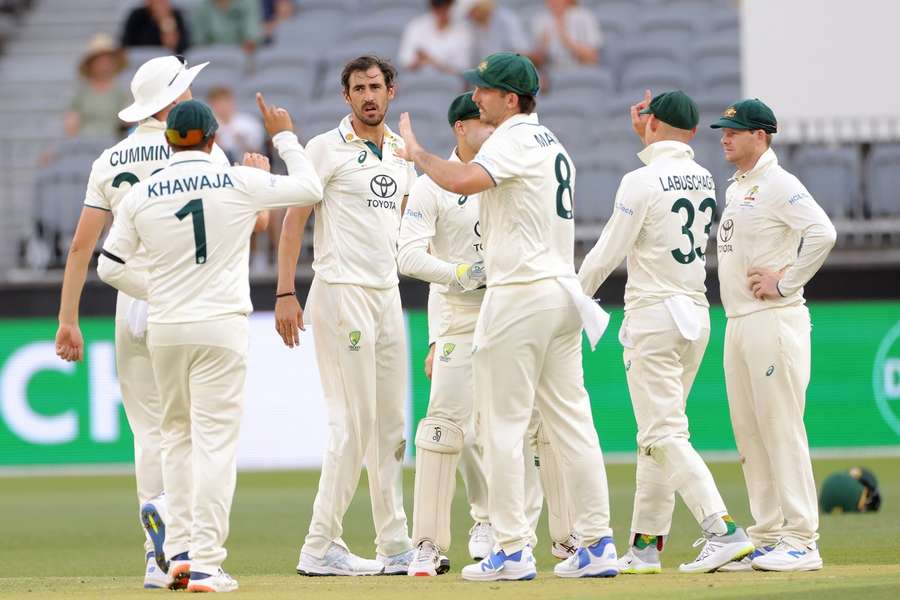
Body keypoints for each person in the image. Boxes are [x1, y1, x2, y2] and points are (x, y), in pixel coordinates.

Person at [397, 51, 617, 581]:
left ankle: (512, 550)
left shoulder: (513, 139)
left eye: (486, 90)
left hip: (520, 296)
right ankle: (597, 542)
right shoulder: (551, 140)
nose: (476, 96)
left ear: (511, 99)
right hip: (563, 294)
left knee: (500, 427)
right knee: (573, 425)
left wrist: (417, 155)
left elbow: (463, 181)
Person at [96, 95, 323, 592]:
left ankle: (177, 553)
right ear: (213, 138)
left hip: (168, 327)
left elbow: (109, 266)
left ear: (171, 141)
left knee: (174, 438)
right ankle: (205, 562)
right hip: (220, 324)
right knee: (215, 445)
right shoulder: (235, 178)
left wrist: (158, 289)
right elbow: (310, 185)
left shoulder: (142, 193)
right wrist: (284, 135)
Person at [54, 55, 237, 590]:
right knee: (199, 434)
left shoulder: (110, 158)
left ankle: (156, 560)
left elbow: (82, 246)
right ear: (177, 99)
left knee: (150, 433)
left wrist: (68, 320)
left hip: (130, 300)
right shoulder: (204, 147)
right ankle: (194, 550)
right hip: (190, 300)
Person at [578, 90, 754, 575]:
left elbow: (609, 250)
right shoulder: (703, 177)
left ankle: (722, 529)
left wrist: (574, 297)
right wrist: (651, 135)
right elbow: (667, 169)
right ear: (695, 133)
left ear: (651, 124)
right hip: (694, 316)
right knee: (655, 436)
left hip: (654, 318)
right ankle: (645, 546)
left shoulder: (639, 180)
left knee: (661, 432)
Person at [274, 55, 417, 577]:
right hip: (339, 292)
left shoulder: (403, 152)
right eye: (358, 89)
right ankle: (320, 545)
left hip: (386, 294)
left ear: (391, 91)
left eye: (375, 86)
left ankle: (395, 543)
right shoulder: (325, 147)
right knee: (353, 424)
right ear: (346, 97)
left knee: (391, 424)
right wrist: (286, 292)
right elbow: (294, 222)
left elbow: (400, 224)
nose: (368, 96)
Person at [710, 99, 836, 572]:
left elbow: (822, 233)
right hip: (740, 322)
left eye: (734, 130)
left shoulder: (779, 184)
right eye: (723, 130)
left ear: (760, 136)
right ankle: (766, 536)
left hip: (774, 320)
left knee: (781, 430)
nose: (724, 136)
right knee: (751, 435)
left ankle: (802, 539)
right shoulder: (740, 186)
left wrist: (785, 281)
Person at [65, 33, 129, 138]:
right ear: (91, 64)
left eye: (107, 59)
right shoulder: (82, 92)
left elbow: (127, 122)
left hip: (113, 142)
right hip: (85, 141)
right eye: (99, 60)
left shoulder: (122, 91)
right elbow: (71, 121)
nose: (104, 64)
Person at [398, 0, 473, 75]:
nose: (441, 10)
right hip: (419, 80)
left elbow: (462, 67)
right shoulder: (416, 26)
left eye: (445, 6)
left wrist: (430, 60)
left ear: (451, 5)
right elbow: (405, 61)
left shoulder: (463, 31)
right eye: (436, 5)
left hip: (449, 82)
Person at [530, 0, 601, 69]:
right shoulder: (540, 19)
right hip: (552, 73)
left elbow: (592, 58)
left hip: (582, 71)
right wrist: (542, 50)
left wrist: (567, 42)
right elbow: (537, 62)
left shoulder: (584, 16)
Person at [457, 0, 530, 64]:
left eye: (472, 11)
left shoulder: (506, 20)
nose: (471, 16)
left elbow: (523, 53)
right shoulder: (473, 27)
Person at [207, 86, 266, 163]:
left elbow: (258, 151)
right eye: (218, 103)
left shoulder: (250, 123)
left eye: (226, 101)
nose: (223, 106)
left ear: (232, 101)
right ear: (212, 105)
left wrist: (242, 142)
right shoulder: (207, 126)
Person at [191, 0, 264, 55]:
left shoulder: (248, 3)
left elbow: (252, 40)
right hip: (212, 60)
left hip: (241, 61)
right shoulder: (202, 7)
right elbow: (198, 44)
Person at [121, 0, 190, 55]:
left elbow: (181, 45)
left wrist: (165, 19)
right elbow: (127, 44)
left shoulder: (176, 15)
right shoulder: (137, 16)